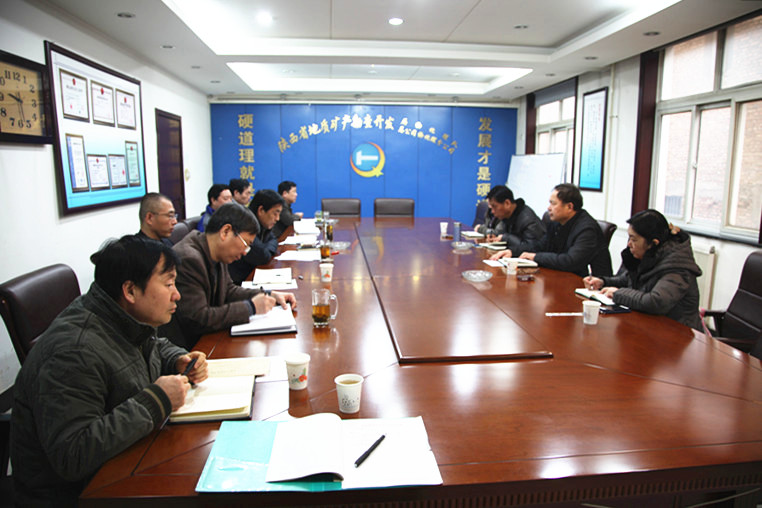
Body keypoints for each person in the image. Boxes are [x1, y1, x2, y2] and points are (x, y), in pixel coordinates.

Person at [10, 235, 208, 507]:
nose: (177, 294)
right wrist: (157, 400)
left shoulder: (120, 315)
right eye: (168, 283)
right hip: (80, 494)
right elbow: (72, 454)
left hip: (126, 460)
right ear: (130, 290)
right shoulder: (74, 351)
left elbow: (151, 344)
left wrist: (177, 359)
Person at [163, 202, 296, 348]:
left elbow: (228, 290)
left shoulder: (214, 250)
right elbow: (198, 318)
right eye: (246, 244)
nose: (245, 252)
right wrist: (251, 307)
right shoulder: (189, 258)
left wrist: (268, 295)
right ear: (225, 232)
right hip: (189, 348)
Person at [583, 209, 703, 330]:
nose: (629, 244)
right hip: (650, 325)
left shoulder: (677, 267)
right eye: (629, 238)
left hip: (678, 332)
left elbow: (656, 302)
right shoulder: (650, 254)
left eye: (634, 239)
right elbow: (630, 279)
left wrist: (617, 294)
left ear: (653, 243)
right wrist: (603, 282)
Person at [491, 183, 612, 277]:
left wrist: (535, 257)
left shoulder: (587, 229)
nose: (549, 208)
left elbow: (570, 261)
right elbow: (540, 246)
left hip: (595, 289)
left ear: (569, 207)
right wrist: (513, 252)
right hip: (563, 277)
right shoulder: (556, 222)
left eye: (553, 204)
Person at [228, 189, 284, 284]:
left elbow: (273, 239)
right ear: (261, 210)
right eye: (275, 213)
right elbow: (261, 256)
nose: (277, 219)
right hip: (240, 281)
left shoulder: (263, 224)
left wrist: (267, 250)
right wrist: (266, 251)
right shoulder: (245, 224)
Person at [482, 185, 545, 254]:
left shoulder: (528, 219)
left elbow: (531, 248)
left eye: (494, 206)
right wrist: (494, 237)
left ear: (507, 203)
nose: (492, 211)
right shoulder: (506, 215)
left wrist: (505, 238)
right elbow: (500, 233)